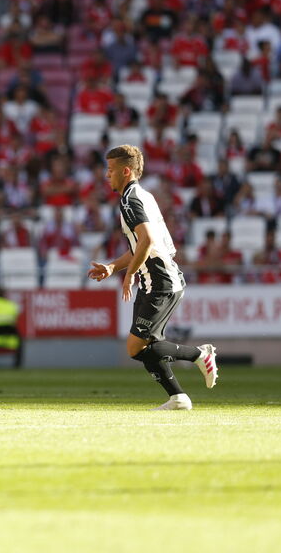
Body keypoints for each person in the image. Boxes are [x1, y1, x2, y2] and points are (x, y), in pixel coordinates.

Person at [87, 145, 219, 411]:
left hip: (160, 281)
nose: (106, 175)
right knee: (146, 345)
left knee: (135, 347)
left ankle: (200, 355)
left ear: (126, 171)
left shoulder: (130, 200)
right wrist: (113, 267)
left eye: (111, 170)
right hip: (155, 280)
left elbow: (146, 241)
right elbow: (141, 245)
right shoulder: (142, 195)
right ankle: (178, 398)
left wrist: (129, 275)